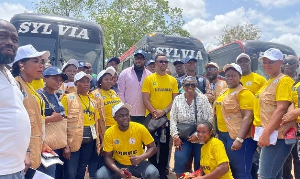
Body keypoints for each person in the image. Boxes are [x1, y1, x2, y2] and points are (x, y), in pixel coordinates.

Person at [253, 48, 295, 179]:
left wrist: (266, 134)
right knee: (275, 175)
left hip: (278, 136)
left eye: (271, 61)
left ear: (281, 62)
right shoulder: (268, 82)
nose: (266, 64)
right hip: (270, 135)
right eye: (264, 61)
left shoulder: (284, 81)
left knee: (264, 176)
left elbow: (281, 108)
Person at [11, 44, 54, 170]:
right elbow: (14, 124)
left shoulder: (30, 86)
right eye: (36, 61)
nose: (41, 65)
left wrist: (43, 142)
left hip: (36, 149)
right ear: (21, 64)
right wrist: (26, 151)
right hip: (23, 155)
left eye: (42, 61)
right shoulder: (16, 85)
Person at [0, 19, 31, 179]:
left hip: (15, 168)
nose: (10, 42)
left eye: (14, 40)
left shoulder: (9, 76)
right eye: (2, 36)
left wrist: (25, 152)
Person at [95, 103, 159, 179]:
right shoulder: (109, 132)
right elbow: (107, 157)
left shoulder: (139, 128)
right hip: (118, 164)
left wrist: (140, 158)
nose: (125, 118)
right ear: (114, 118)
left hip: (138, 163)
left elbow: (153, 147)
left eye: (126, 115)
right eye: (121, 116)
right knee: (100, 176)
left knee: (153, 173)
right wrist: (119, 171)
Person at [215, 63, 256, 179]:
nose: (230, 78)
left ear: (240, 76)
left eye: (233, 75)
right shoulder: (223, 92)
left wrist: (239, 139)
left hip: (237, 136)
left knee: (241, 172)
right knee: (230, 170)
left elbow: (248, 117)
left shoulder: (244, 93)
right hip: (223, 135)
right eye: (227, 76)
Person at [142, 53, 179, 179]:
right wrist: (154, 112)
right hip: (152, 119)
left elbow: (175, 100)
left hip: (166, 120)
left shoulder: (172, 80)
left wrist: (163, 111)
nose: (163, 63)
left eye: (165, 61)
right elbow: (145, 99)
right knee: (151, 145)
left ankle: (162, 172)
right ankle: (153, 171)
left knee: (164, 147)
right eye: (160, 61)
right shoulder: (149, 79)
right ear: (156, 64)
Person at [61, 71, 103, 179]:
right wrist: (66, 145)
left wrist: (100, 141)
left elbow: (97, 123)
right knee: (70, 172)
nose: (86, 84)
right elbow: (62, 122)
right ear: (75, 83)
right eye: (82, 81)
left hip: (89, 141)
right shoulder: (68, 98)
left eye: (88, 81)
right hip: (73, 142)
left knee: (82, 169)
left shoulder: (93, 101)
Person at [170, 76, 213, 178]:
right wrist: (175, 136)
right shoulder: (178, 99)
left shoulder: (203, 99)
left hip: (201, 137)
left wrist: (197, 135)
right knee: (180, 158)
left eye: (192, 85)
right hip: (183, 137)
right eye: (187, 85)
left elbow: (209, 118)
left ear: (196, 86)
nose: (190, 87)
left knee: (200, 162)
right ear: (183, 86)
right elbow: (173, 118)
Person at [236, 53, 267, 179]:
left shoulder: (259, 79)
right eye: (240, 61)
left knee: (257, 154)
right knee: (244, 155)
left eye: (245, 61)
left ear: (250, 63)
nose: (243, 63)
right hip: (239, 124)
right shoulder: (234, 79)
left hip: (256, 123)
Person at [36, 67, 68, 177]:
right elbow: (33, 121)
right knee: (48, 174)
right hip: (45, 144)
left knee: (57, 173)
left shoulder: (56, 95)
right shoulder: (38, 96)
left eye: (60, 80)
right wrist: (51, 118)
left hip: (57, 142)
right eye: (55, 78)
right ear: (45, 79)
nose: (58, 82)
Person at [118, 50, 152, 124]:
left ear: (144, 60)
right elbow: (121, 93)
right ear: (134, 59)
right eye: (137, 58)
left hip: (144, 114)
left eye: (141, 59)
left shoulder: (150, 75)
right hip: (128, 114)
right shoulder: (124, 73)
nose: (138, 61)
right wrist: (124, 109)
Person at [281, 55, 300, 179]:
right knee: (284, 158)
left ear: (297, 65)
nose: (288, 65)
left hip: (297, 126)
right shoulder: (278, 81)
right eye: (286, 62)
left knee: (298, 159)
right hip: (283, 125)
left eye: (291, 62)